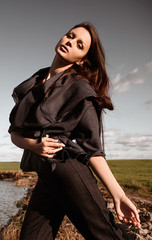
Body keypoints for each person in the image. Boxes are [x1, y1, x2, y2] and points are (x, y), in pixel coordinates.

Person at [8, 22, 141, 240]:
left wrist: (119, 194)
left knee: (105, 235)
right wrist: (34, 145)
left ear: (81, 59)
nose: (70, 42)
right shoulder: (34, 83)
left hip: (69, 171)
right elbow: (15, 133)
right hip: (46, 176)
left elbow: (93, 149)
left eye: (79, 44)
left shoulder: (80, 88)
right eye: (70, 36)